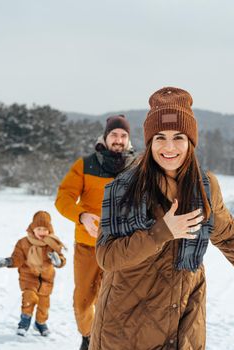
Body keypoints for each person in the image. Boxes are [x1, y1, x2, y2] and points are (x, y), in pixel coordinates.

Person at [89, 87, 234, 349]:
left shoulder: (204, 186)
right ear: (150, 142)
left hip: (184, 318)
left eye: (178, 137)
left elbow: (225, 230)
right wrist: (162, 231)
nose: (169, 147)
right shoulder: (125, 188)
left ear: (191, 141)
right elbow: (107, 257)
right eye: (160, 138)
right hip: (129, 324)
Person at [55, 115, 136, 350]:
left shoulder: (138, 168)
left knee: (114, 301)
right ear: (105, 137)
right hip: (88, 245)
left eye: (123, 136)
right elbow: (63, 198)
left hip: (121, 248)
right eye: (114, 135)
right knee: (82, 302)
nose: (118, 140)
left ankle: (106, 342)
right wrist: (81, 215)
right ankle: (88, 336)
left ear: (128, 140)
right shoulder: (86, 164)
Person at [0, 211, 66, 337]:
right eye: (39, 229)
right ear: (33, 229)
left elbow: (61, 259)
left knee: (44, 305)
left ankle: (40, 323)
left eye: (45, 229)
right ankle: (24, 322)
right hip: (28, 277)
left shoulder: (52, 244)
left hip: (47, 280)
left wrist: (58, 261)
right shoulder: (23, 243)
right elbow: (17, 258)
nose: (42, 232)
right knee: (29, 298)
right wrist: (7, 262)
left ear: (50, 230)